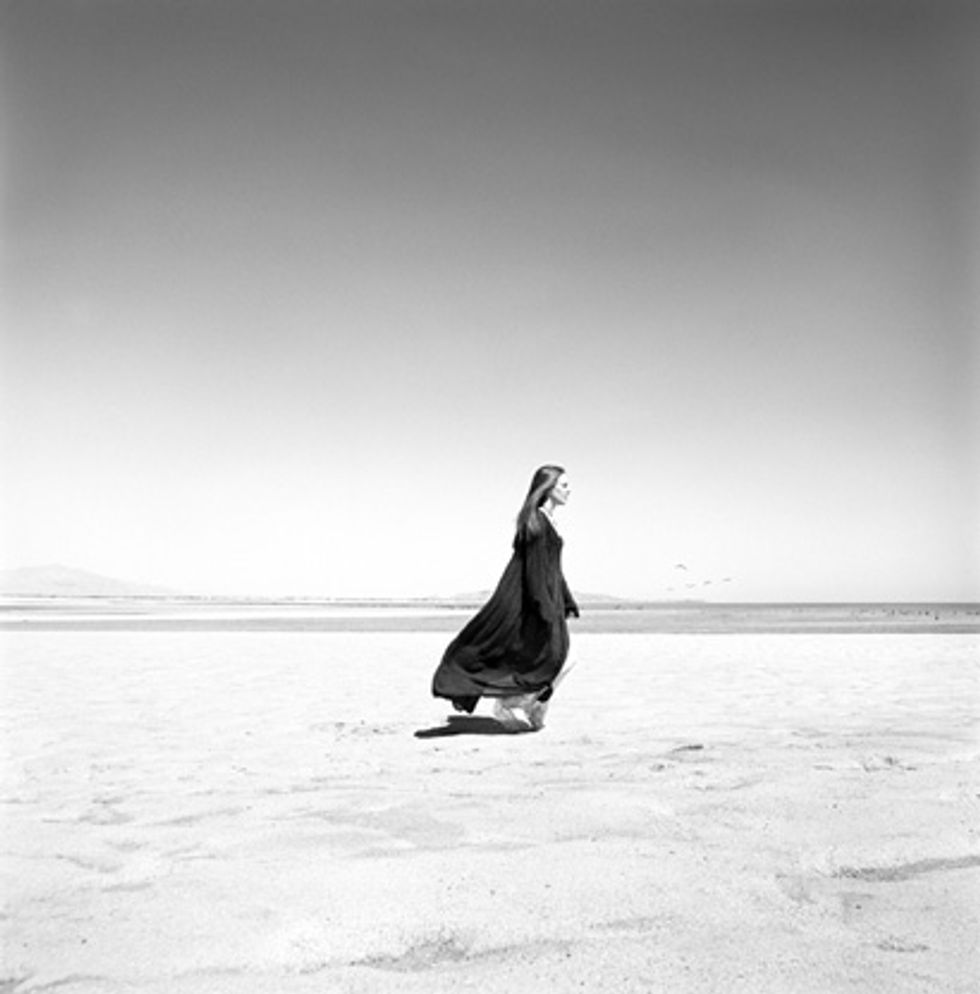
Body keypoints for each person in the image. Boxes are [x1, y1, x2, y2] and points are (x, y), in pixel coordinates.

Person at [431, 465, 579, 731]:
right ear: (548, 487)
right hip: (535, 603)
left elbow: (553, 568)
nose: (570, 490)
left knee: (564, 659)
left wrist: (566, 600)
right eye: (564, 485)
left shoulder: (549, 521)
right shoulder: (536, 521)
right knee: (561, 658)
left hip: (549, 600)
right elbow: (534, 571)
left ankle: (531, 704)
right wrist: (544, 609)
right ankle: (513, 705)